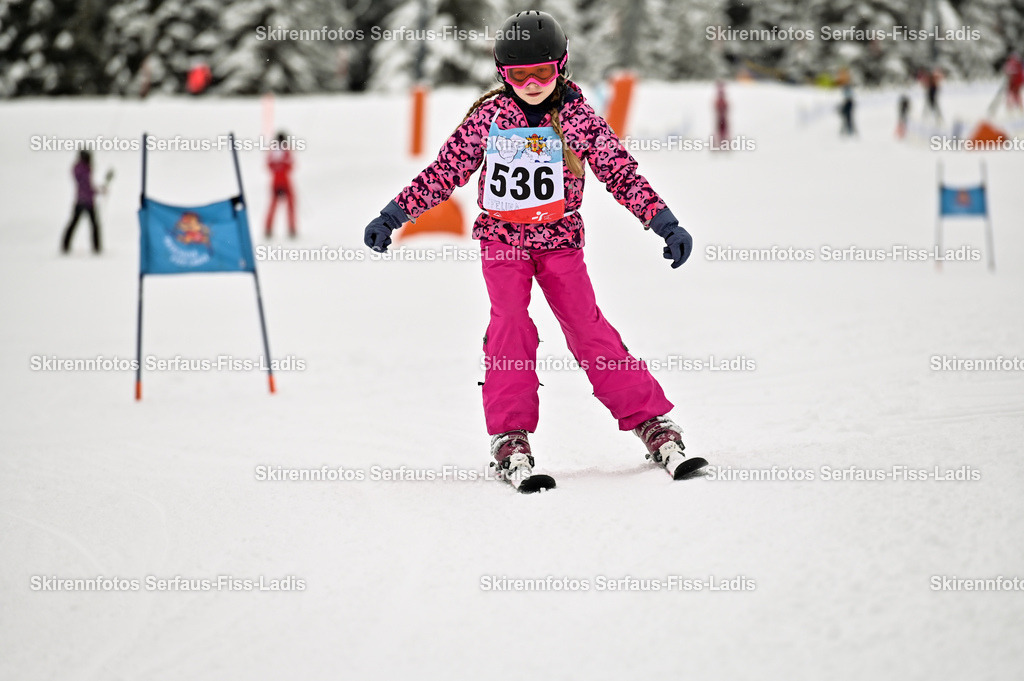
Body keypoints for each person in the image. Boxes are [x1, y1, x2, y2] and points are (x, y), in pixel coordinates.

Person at [362, 10, 706, 491]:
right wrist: (394, 214)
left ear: (560, 67)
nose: (530, 85)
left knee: (588, 328)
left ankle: (651, 421)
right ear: (502, 74)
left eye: (541, 73)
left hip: (560, 242)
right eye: (518, 75)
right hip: (503, 241)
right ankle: (509, 435)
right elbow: (445, 172)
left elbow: (620, 173)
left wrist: (663, 222)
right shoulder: (488, 118)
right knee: (510, 325)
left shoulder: (578, 118)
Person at [61, 150, 102, 254]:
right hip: (87, 201)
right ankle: (96, 247)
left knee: (74, 223)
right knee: (93, 224)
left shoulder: (78, 169)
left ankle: (65, 245)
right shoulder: (85, 169)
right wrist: (97, 191)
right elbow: (87, 186)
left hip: (80, 199)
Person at [265, 132, 296, 238]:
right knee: (290, 206)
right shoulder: (286, 151)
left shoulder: (273, 151)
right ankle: (292, 228)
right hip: (285, 182)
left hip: (275, 181)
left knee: (273, 206)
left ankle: (268, 228)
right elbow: (291, 165)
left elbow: (269, 165)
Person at [713, 80, 729, 147]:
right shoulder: (719, 100)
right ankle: (721, 143)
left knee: (722, 130)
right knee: (721, 130)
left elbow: (726, 107)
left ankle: (723, 143)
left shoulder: (721, 100)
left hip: (722, 117)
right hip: (720, 117)